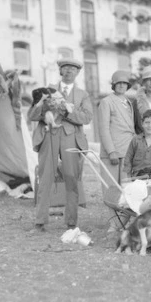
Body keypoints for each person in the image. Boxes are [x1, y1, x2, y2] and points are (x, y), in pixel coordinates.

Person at [29, 55, 93, 233]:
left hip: (71, 137)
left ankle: (71, 222)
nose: (69, 71)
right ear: (60, 71)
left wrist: (66, 111)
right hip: (49, 135)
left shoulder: (82, 94)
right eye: (65, 67)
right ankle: (40, 221)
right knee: (45, 178)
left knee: (72, 178)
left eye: (73, 68)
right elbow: (32, 115)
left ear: (78, 72)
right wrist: (45, 110)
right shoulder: (47, 90)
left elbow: (87, 117)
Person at [97, 70, 138, 193]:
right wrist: (111, 151)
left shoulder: (128, 102)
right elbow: (103, 128)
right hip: (114, 151)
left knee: (127, 188)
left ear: (128, 86)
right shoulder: (106, 102)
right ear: (113, 85)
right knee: (112, 188)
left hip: (127, 150)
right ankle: (111, 213)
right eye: (118, 83)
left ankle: (124, 212)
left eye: (124, 83)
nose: (121, 85)